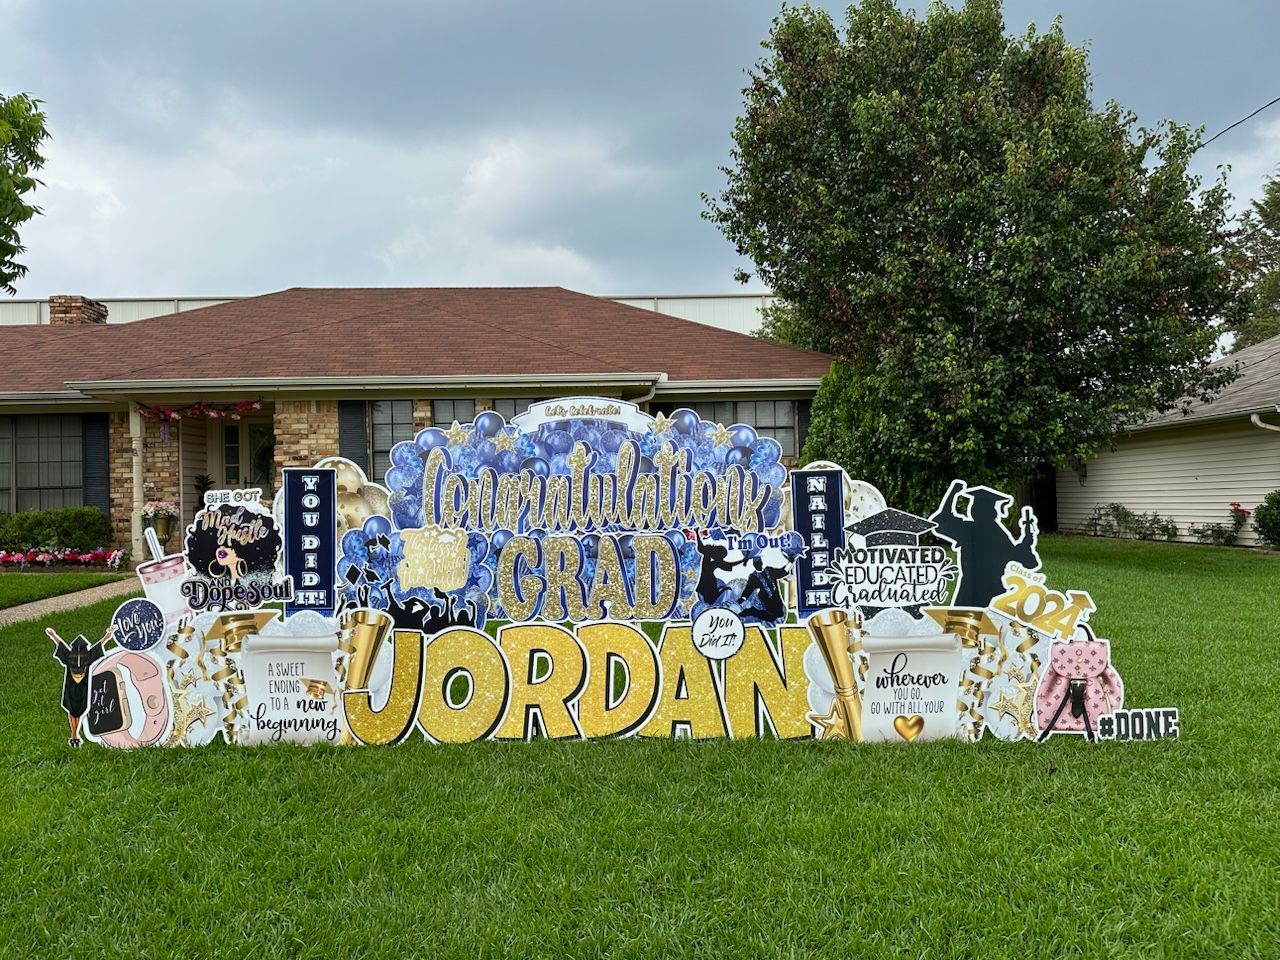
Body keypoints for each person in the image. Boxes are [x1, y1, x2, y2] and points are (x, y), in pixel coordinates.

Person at [928, 481, 1039, 608]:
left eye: (973, 507)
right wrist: (1026, 542)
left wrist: (954, 493)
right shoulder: (997, 532)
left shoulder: (970, 530)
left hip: (972, 593)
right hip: (993, 591)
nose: (971, 510)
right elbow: (1019, 557)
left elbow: (941, 520)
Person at [48, 625, 112, 747]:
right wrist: (53, 635)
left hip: (76, 689)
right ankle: (74, 734)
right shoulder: (85, 657)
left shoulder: (73, 656)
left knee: (75, 712)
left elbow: (61, 645)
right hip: (75, 689)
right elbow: (97, 646)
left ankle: (74, 735)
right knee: (74, 712)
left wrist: (53, 635)